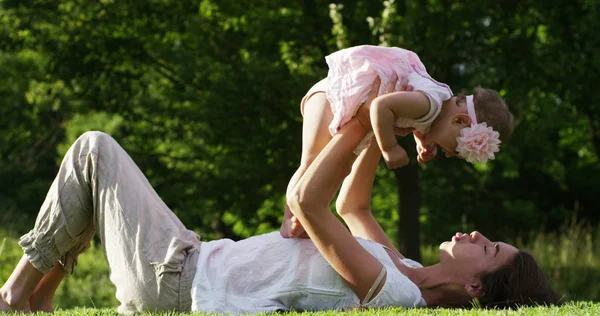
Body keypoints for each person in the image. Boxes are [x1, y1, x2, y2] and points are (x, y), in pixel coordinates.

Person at [0, 79, 555, 314]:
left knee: (94, 149)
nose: (476, 234)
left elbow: (312, 204)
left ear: (476, 285)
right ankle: (38, 300)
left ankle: (15, 296)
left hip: (178, 282)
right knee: (96, 165)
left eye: (488, 247)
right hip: (190, 258)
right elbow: (351, 208)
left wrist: (363, 119)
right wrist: (394, 121)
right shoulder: (402, 266)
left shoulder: (398, 297)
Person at [281, 45, 514, 238]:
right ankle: (289, 218)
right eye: (456, 149)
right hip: (333, 97)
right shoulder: (429, 104)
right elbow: (382, 106)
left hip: (348, 109)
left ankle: (305, 219)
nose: (451, 154)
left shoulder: (436, 106)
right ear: (461, 121)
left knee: (339, 169)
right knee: (312, 162)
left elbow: (412, 116)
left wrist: (421, 139)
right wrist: (390, 147)